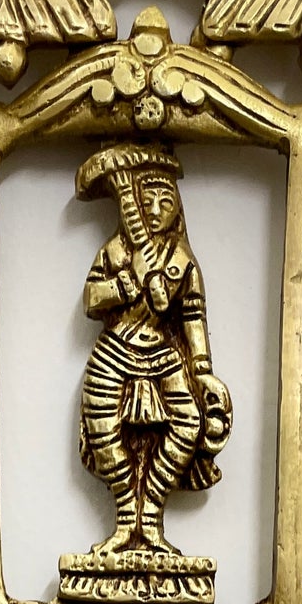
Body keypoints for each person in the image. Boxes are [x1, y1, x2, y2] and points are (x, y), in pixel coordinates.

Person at [75, 143, 233, 561]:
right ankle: (126, 522)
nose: (156, 210)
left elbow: (192, 316)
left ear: (177, 206)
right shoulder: (115, 251)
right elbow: (92, 299)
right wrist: (127, 283)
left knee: (189, 423)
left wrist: (202, 371)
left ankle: (150, 519)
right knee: (103, 431)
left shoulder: (182, 261)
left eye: (165, 201)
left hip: (163, 354)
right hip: (114, 351)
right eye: (146, 202)